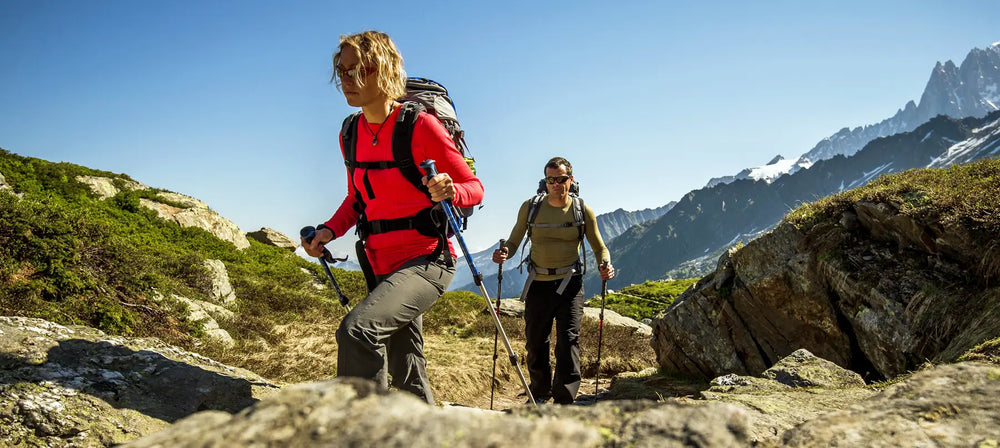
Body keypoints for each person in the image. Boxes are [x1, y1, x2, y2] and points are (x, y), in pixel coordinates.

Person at [302, 30, 484, 405]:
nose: (347, 80)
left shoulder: (419, 126)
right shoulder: (350, 132)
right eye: (342, 71)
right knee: (406, 361)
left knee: (358, 332)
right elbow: (357, 198)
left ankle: (364, 429)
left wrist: (452, 190)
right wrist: (327, 231)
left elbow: (474, 187)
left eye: (358, 70)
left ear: (384, 70)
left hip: (426, 260)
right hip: (379, 262)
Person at [492, 157, 614, 404]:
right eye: (551, 180)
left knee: (568, 340)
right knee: (536, 340)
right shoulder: (531, 207)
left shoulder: (582, 210)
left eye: (561, 179)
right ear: (544, 181)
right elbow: (514, 240)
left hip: (570, 284)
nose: (556, 184)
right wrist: (505, 253)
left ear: (571, 179)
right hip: (538, 282)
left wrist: (606, 265)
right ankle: (539, 391)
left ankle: (564, 397)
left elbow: (600, 247)